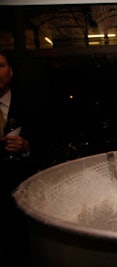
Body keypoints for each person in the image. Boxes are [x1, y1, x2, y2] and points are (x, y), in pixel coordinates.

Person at [0, 50, 37, 266]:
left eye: (1, 65)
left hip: (21, 192)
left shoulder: (31, 105)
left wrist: (27, 147)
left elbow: (51, 141)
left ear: (11, 72)